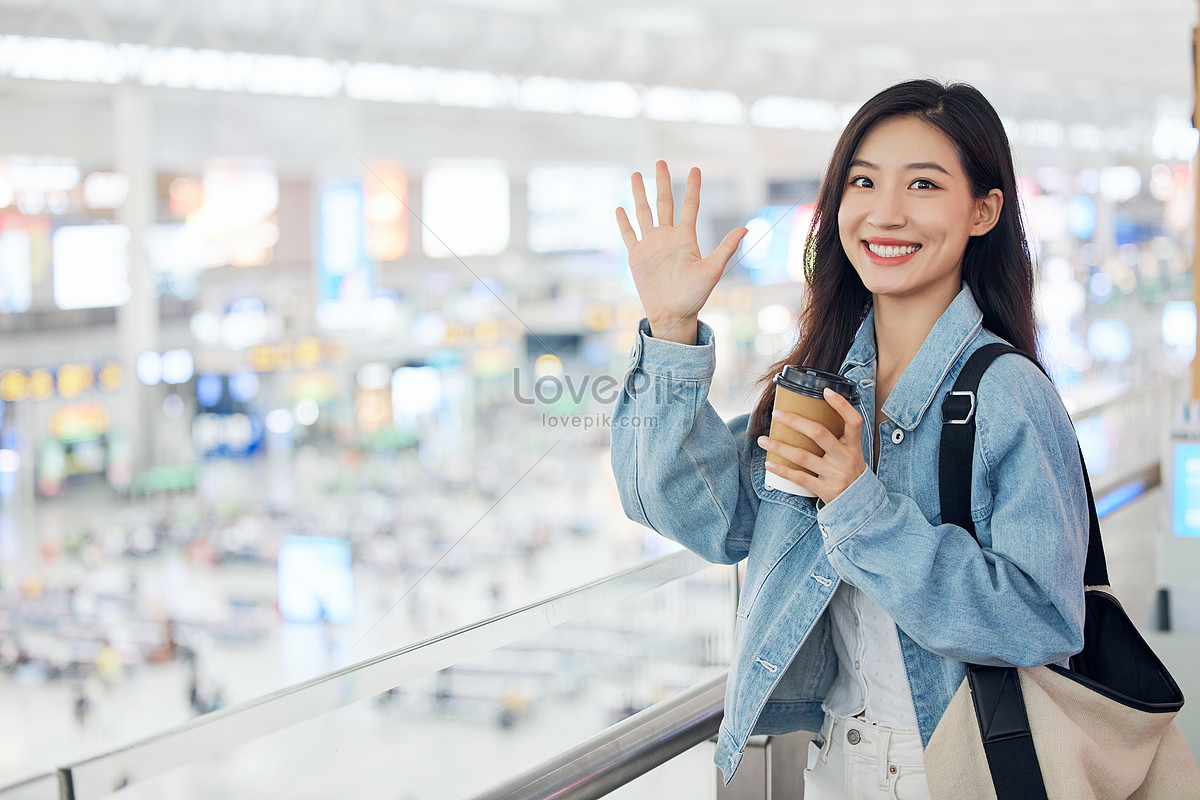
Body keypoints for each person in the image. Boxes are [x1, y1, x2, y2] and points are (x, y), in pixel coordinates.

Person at [610, 78, 1089, 798]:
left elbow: (1041, 620)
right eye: (863, 181)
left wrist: (862, 507)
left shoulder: (1006, 392)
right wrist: (672, 331)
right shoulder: (827, 385)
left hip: (955, 767)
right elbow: (699, 515)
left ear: (984, 210)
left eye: (923, 184)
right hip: (837, 761)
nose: (885, 213)